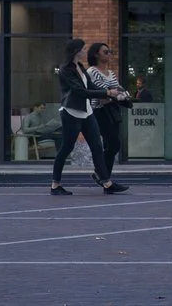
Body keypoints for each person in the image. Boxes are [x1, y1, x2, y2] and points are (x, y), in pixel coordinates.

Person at [50, 37, 120, 195]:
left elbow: (91, 86)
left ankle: (107, 183)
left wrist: (108, 92)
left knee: (96, 147)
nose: (84, 52)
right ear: (75, 51)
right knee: (66, 148)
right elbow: (80, 91)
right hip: (71, 112)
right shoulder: (66, 70)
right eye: (82, 49)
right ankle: (55, 184)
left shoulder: (80, 67)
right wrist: (106, 92)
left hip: (87, 112)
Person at [86, 43, 131, 187]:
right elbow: (101, 93)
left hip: (112, 111)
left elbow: (117, 89)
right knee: (113, 144)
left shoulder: (110, 73)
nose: (109, 54)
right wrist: (114, 93)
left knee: (111, 145)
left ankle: (105, 178)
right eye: (105, 52)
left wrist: (119, 94)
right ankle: (102, 175)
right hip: (99, 111)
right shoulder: (92, 71)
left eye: (109, 51)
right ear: (96, 54)